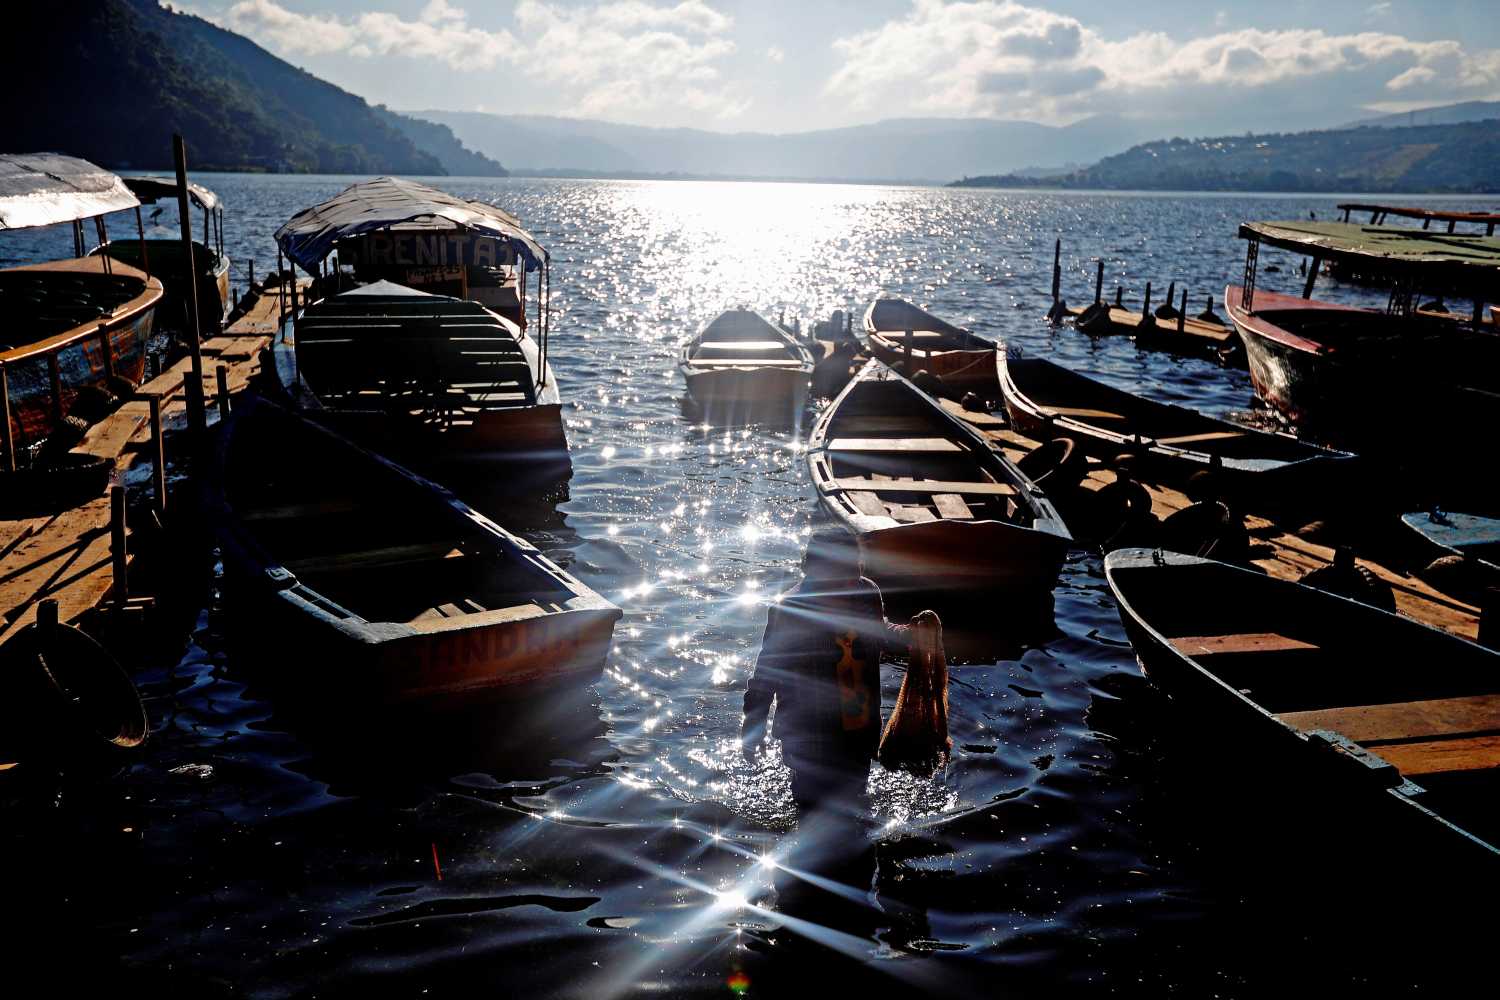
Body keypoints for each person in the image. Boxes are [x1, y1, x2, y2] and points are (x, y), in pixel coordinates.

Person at [740, 531, 933, 813]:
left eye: (853, 573)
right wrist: (753, 727)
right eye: (838, 576)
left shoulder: (866, 593)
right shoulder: (791, 610)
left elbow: (877, 632)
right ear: (814, 571)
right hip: (809, 736)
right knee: (810, 807)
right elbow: (767, 674)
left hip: (858, 726)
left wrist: (907, 634)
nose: (847, 584)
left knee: (854, 804)